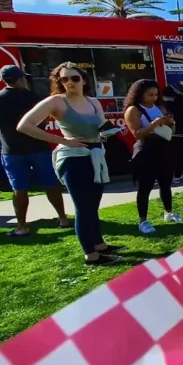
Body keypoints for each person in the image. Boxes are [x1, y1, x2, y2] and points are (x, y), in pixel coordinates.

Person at [17, 62, 119, 266]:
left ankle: (99, 245)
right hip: (73, 157)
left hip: (96, 155)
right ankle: (91, 255)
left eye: (74, 78)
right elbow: (24, 126)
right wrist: (62, 140)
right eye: (64, 79)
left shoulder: (93, 102)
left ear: (83, 80)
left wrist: (109, 132)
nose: (69, 82)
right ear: (59, 82)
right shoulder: (56, 101)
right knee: (83, 207)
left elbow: (100, 127)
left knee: (93, 206)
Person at [0, 65, 70, 237]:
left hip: (11, 149)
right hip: (38, 146)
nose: (26, 81)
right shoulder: (33, 97)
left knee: (19, 188)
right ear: (19, 79)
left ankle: (22, 226)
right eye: (24, 78)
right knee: (50, 183)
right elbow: (44, 121)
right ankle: (63, 218)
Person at [124, 80, 182, 235]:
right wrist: (153, 124)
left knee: (166, 184)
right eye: (150, 95)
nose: (154, 98)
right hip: (146, 150)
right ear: (139, 94)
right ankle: (143, 220)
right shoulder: (133, 110)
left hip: (164, 149)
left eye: (156, 94)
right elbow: (136, 134)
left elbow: (172, 129)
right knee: (145, 187)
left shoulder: (160, 107)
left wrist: (171, 122)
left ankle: (168, 212)